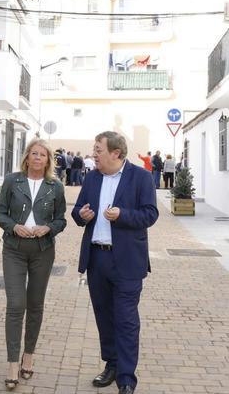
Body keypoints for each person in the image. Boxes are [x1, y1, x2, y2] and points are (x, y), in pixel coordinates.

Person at [72, 131, 159, 394]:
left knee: (126, 319)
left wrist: (122, 215)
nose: (94, 153)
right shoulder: (92, 177)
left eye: (98, 149)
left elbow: (150, 214)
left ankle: (126, 379)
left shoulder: (141, 177)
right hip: (97, 258)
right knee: (104, 316)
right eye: (94, 148)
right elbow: (77, 211)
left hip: (127, 262)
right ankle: (111, 364)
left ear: (116, 153)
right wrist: (82, 215)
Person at [0, 138, 67, 390]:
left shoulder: (55, 186)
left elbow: (61, 220)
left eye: (43, 155)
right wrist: (14, 226)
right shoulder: (12, 181)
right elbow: (0, 212)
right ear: (27, 157)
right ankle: (12, 363)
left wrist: (47, 227)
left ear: (48, 160)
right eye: (34, 153)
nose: (38, 158)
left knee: (35, 305)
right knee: (16, 304)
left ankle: (29, 355)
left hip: (42, 251)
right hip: (13, 249)